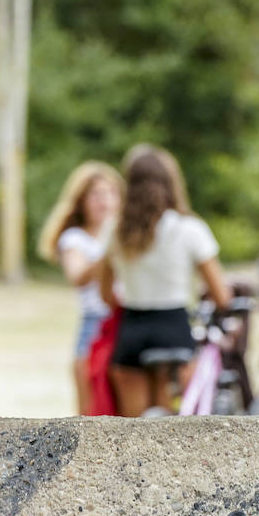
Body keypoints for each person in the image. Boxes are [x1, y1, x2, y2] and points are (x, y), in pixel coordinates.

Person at [97, 146, 230, 417]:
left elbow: (105, 295)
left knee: (132, 432)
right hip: (175, 330)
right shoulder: (189, 228)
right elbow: (222, 295)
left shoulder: (116, 230)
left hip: (132, 330)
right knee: (176, 430)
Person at [36, 162, 123, 414]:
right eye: (96, 194)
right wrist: (108, 247)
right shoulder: (74, 239)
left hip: (126, 320)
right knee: (90, 408)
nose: (104, 201)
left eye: (110, 193)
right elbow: (78, 276)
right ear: (82, 201)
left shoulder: (125, 235)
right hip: (94, 324)